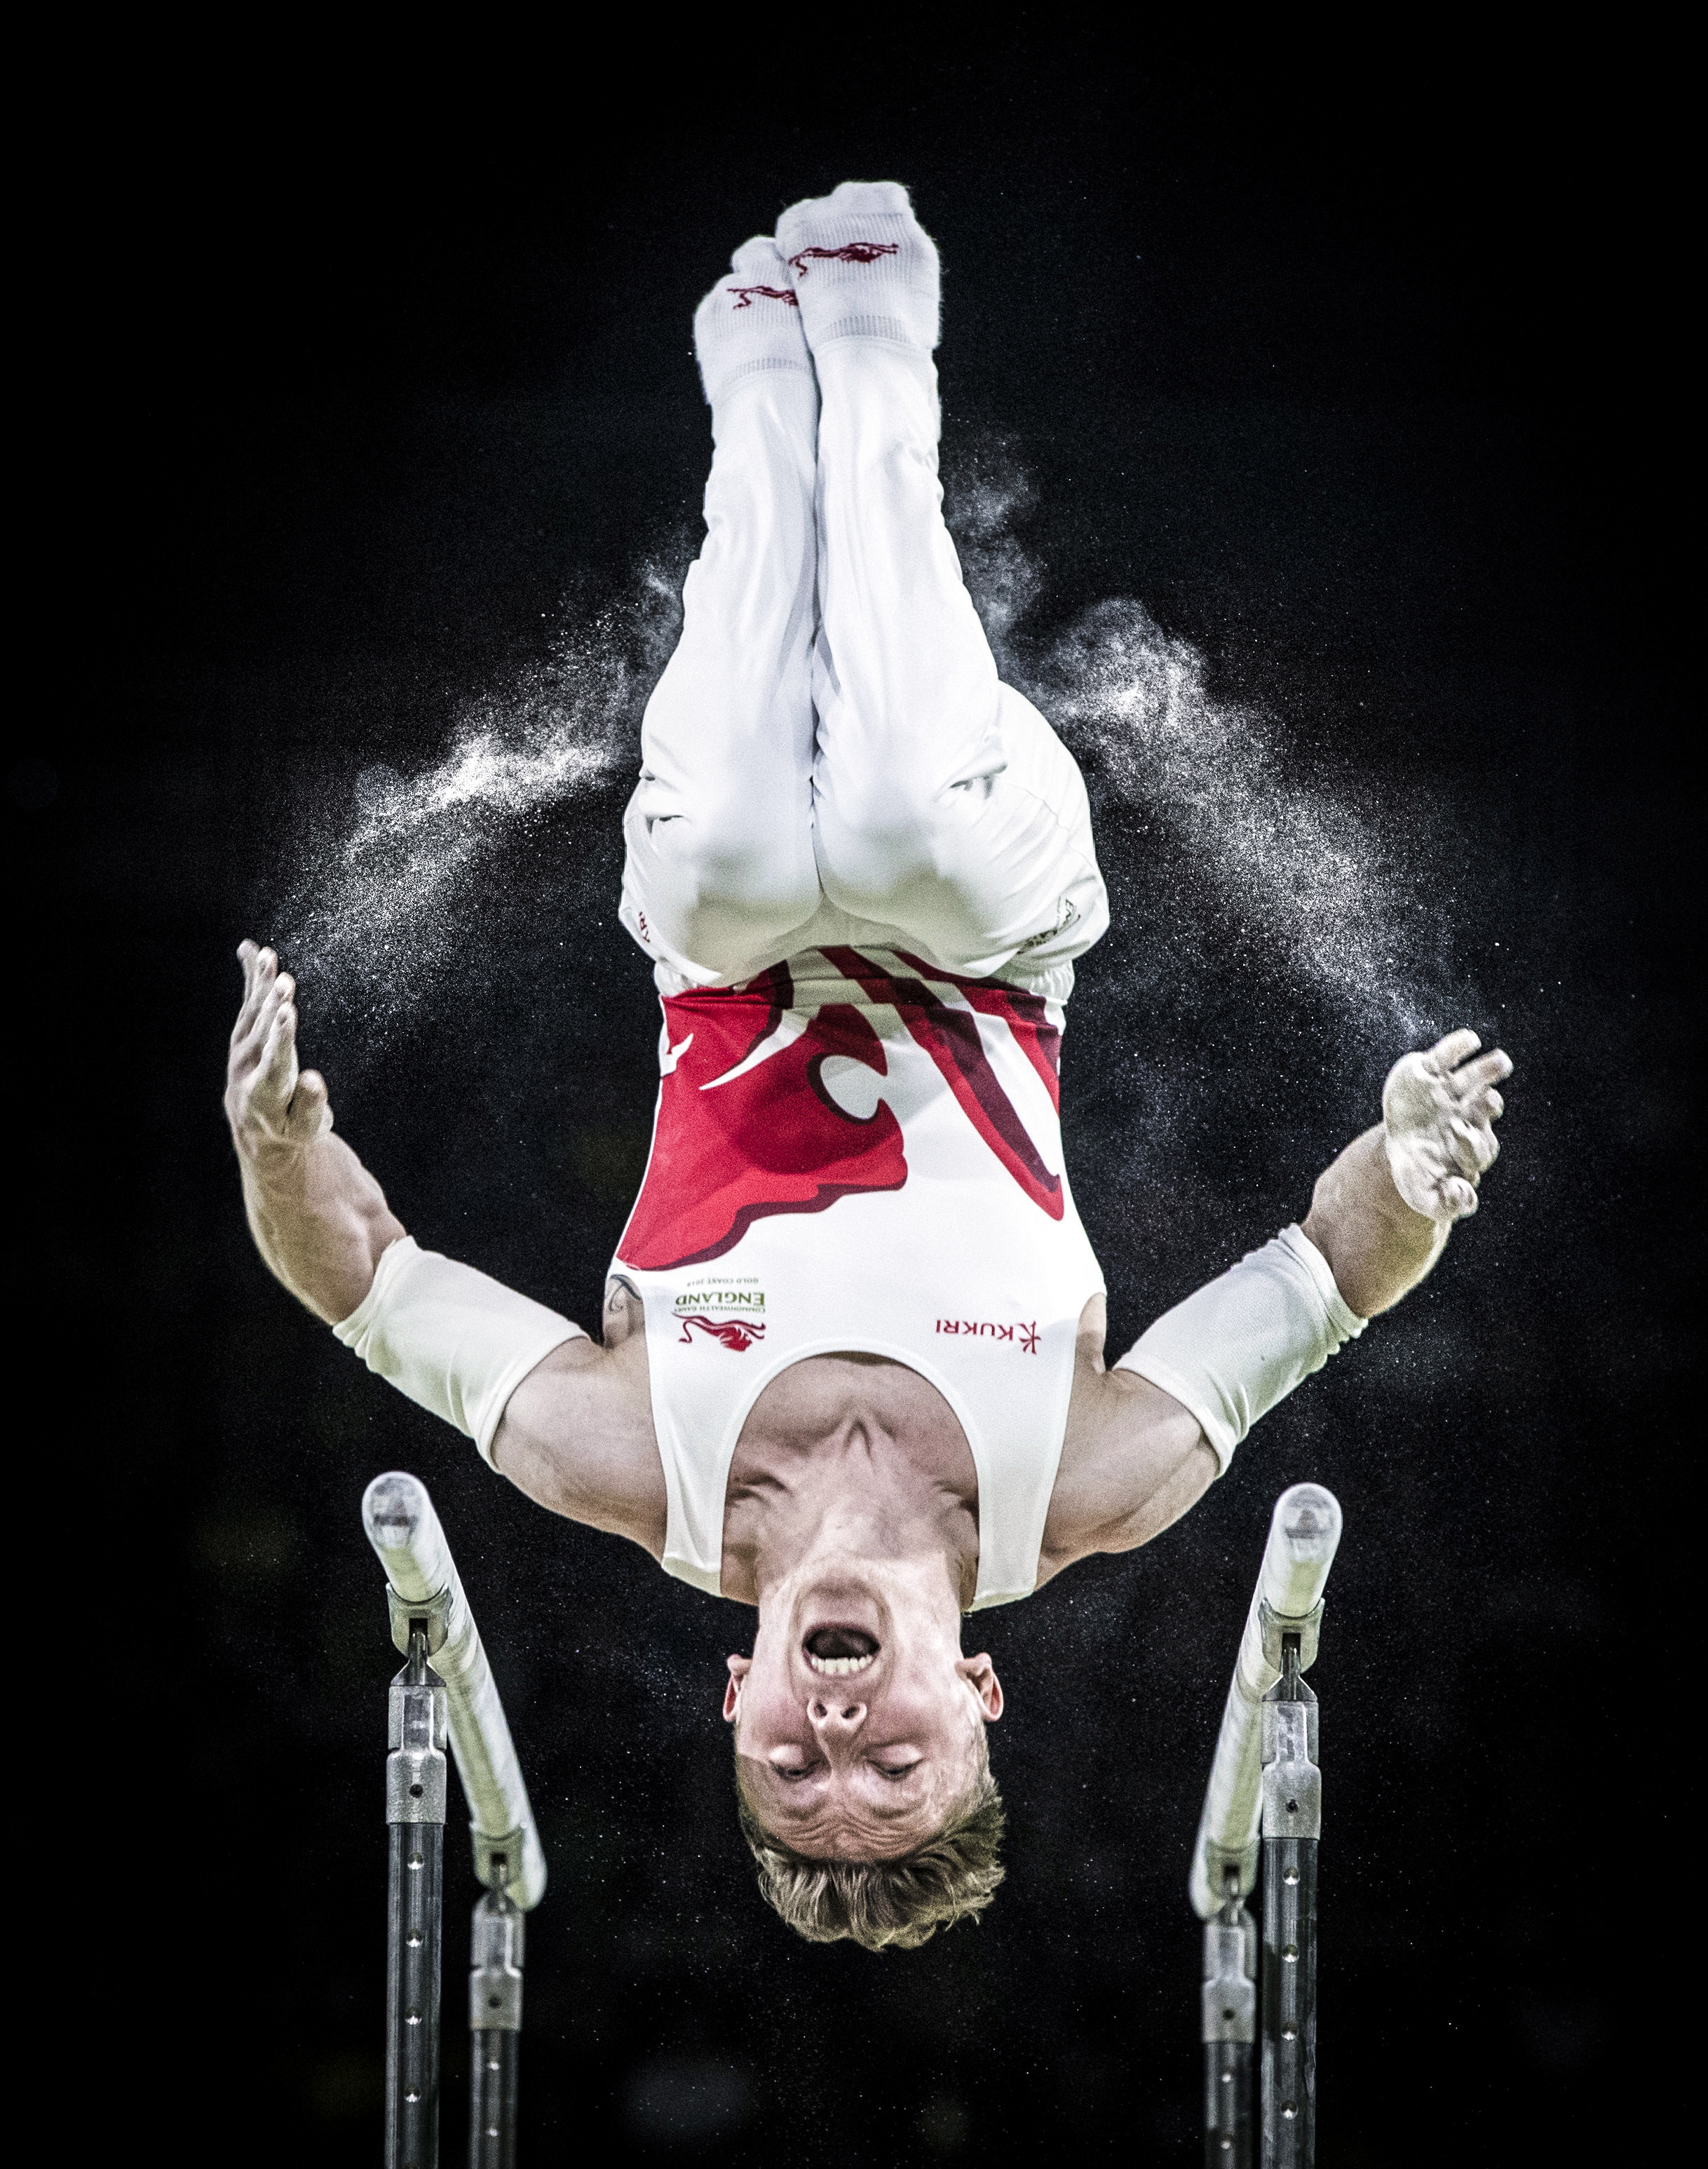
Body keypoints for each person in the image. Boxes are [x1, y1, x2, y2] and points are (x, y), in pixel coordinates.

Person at [224, 183, 1511, 1950]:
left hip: (721, 953)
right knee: (897, 807)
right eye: (890, 1775)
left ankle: (756, 390)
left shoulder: (622, 1458)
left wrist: (274, 1147)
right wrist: (1419, 1159)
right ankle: (862, 332)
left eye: (793, 1775)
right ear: (980, 1693)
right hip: (1003, 933)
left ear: (730, 1706)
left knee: (746, 842)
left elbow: (368, 1283)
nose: (840, 1741)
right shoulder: (1080, 1485)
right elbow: (1331, 1273)